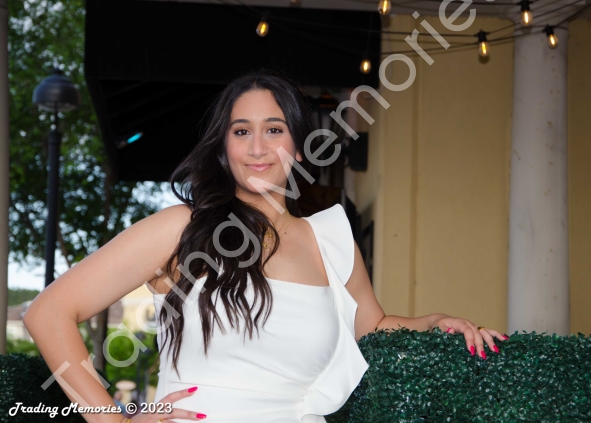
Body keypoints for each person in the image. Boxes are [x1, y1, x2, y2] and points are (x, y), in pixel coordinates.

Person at [23, 69, 507, 423]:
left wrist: (433, 322)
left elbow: (372, 329)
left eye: (274, 129)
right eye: (241, 131)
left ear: (298, 144)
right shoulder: (182, 229)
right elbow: (49, 313)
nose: (257, 148)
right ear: (224, 147)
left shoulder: (330, 240)